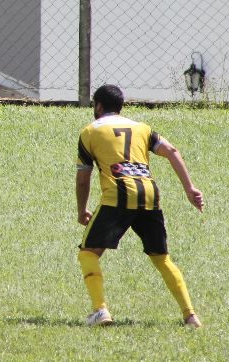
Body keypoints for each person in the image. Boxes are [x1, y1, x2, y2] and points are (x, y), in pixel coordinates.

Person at [75, 84, 204, 328]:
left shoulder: (90, 132)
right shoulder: (142, 128)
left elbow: (83, 180)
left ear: (99, 106)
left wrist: (82, 210)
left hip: (117, 196)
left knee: (88, 253)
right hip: (149, 195)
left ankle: (100, 310)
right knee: (162, 258)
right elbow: (172, 151)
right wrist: (190, 188)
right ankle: (190, 316)